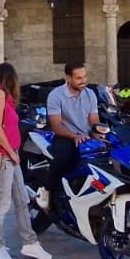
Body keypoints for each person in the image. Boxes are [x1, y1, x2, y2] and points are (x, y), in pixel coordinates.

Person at [0, 62, 51, 259]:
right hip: (4, 157)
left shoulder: (1, 96)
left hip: (10, 158)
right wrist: (11, 152)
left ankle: (30, 242)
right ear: (10, 79)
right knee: (2, 205)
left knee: (22, 199)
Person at [44, 62, 101, 207]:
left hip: (85, 137)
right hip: (64, 136)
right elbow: (56, 125)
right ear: (68, 78)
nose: (83, 81)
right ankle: (47, 190)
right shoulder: (55, 95)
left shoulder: (90, 94)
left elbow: (94, 120)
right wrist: (74, 136)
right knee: (64, 156)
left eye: (85, 76)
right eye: (78, 78)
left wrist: (100, 135)